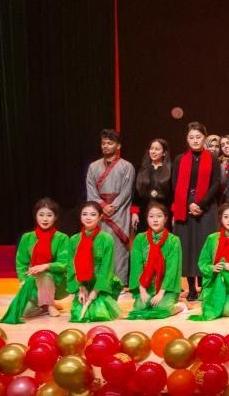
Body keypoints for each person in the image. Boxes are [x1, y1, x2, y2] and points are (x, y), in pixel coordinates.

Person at [172, 122, 224, 301]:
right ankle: (192, 288)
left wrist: (200, 204)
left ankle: (205, 285)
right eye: (191, 137)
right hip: (185, 207)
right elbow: (175, 184)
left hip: (206, 207)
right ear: (187, 139)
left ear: (205, 138)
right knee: (187, 246)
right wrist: (189, 204)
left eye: (198, 137)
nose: (195, 140)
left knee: (204, 245)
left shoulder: (213, 158)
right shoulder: (180, 159)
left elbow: (216, 183)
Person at [0, 198, 69, 323]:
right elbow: (21, 263)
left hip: (58, 281)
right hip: (34, 281)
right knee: (25, 312)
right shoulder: (27, 238)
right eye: (41, 215)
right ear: (36, 216)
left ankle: (50, 305)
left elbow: (65, 263)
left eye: (49, 215)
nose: (45, 219)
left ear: (55, 217)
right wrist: (23, 280)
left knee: (44, 274)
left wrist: (46, 266)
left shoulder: (62, 238)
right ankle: (45, 305)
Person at [85, 129, 135, 284]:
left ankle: (119, 284)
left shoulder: (127, 166)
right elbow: (91, 190)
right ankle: (100, 283)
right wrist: (101, 206)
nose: (106, 146)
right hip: (99, 212)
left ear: (118, 146)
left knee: (118, 248)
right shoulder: (93, 167)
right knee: (99, 247)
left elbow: (127, 192)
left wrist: (113, 206)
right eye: (103, 143)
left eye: (110, 143)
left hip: (119, 211)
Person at [189, 202, 229, 321]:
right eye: (226, 217)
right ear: (221, 219)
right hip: (215, 284)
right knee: (209, 309)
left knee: (227, 311)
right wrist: (212, 268)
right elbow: (203, 262)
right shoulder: (212, 239)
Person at [127, 203, 185, 319]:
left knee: (161, 311)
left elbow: (172, 270)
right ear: (147, 219)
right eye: (151, 216)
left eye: (159, 216)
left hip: (166, 288)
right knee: (139, 310)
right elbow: (136, 267)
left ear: (166, 219)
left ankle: (180, 306)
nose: (155, 220)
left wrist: (161, 293)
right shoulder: (140, 239)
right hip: (146, 286)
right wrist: (142, 291)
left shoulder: (173, 240)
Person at [67, 202, 122, 322]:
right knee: (78, 316)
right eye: (84, 214)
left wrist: (95, 292)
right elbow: (71, 267)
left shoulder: (106, 238)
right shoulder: (74, 240)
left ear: (100, 217)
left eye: (93, 214)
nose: (88, 217)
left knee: (98, 314)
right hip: (82, 282)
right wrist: (81, 287)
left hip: (101, 283)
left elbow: (107, 267)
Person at [135, 139, 173, 230]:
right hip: (144, 212)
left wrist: (174, 214)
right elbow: (135, 193)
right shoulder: (141, 169)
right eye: (151, 149)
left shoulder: (171, 170)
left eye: (157, 149)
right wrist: (134, 213)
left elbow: (174, 193)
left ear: (164, 153)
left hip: (165, 211)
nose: (153, 151)